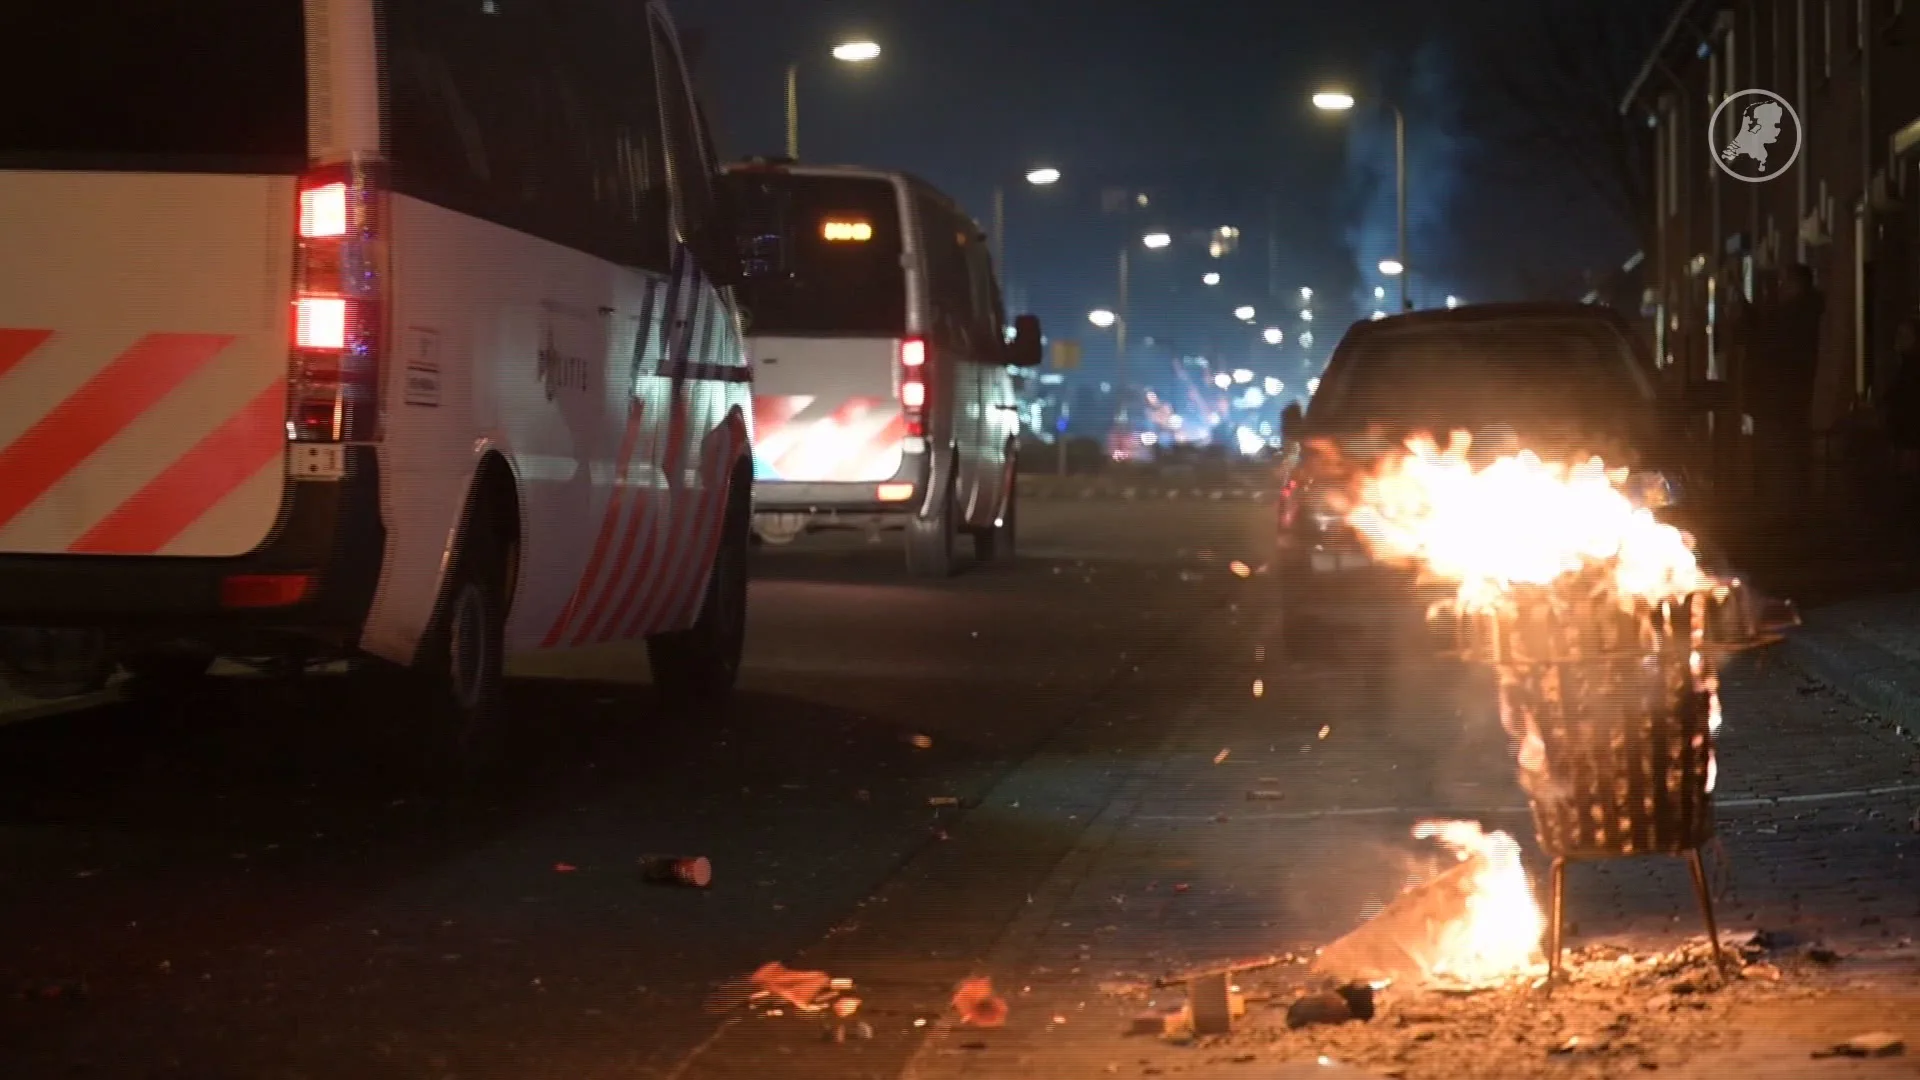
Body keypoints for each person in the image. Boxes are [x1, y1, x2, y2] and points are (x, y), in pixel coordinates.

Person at [1749, 264, 1823, 510]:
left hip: (1782, 397)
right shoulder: (1799, 313)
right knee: (1784, 453)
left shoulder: (1795, 316)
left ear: (1796, 285)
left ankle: (1783, 508)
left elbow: (1772, 345)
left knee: (1781, 454)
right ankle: (1785, 506)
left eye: (1784, 283)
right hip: (1784, 396)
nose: (1780, 289)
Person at [1883, 316, 1920, 480]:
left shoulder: (1912, 369)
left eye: (1905, 336)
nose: (1899, 339)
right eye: (1899, 334)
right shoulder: (1904, 367)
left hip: (1909, 438)